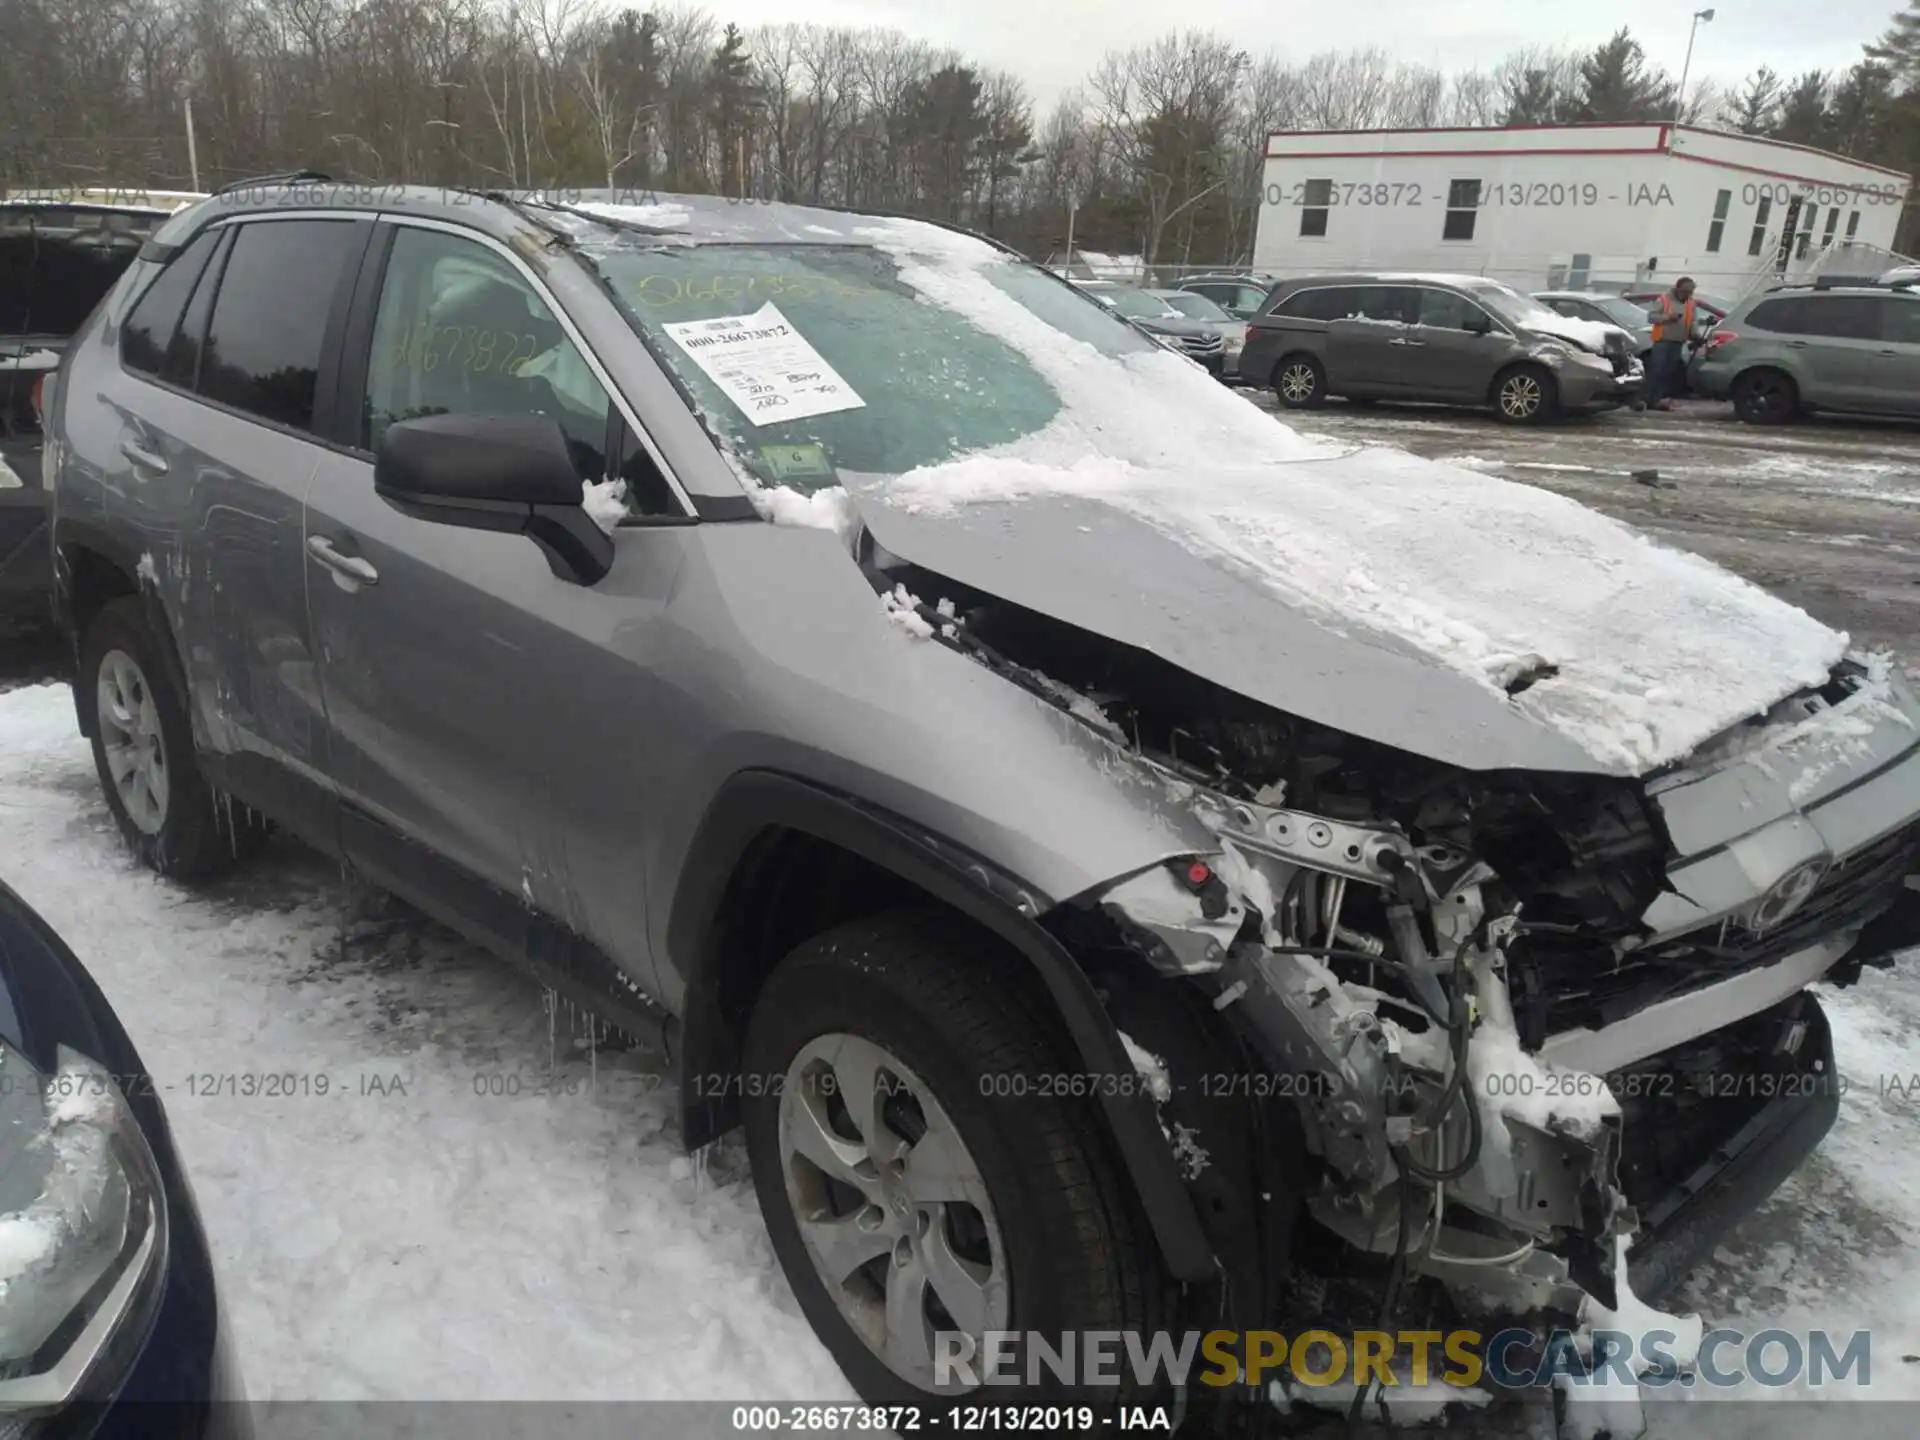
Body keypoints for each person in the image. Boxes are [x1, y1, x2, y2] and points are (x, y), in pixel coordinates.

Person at [1644, 276, 1697, 412]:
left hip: (1678, 341)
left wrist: (1695, 336)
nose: (1688, 294)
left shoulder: (1691, 303)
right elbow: (1651, 317)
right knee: (1657, 371)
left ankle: (1662, 399)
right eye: (1686, 291)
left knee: (1669, 372)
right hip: (1662, 340)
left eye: (1690, 291)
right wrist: (1668, 317)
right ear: (1678, 288)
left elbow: (1692, 322)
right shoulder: (1664, 299)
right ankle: (1650, 399)